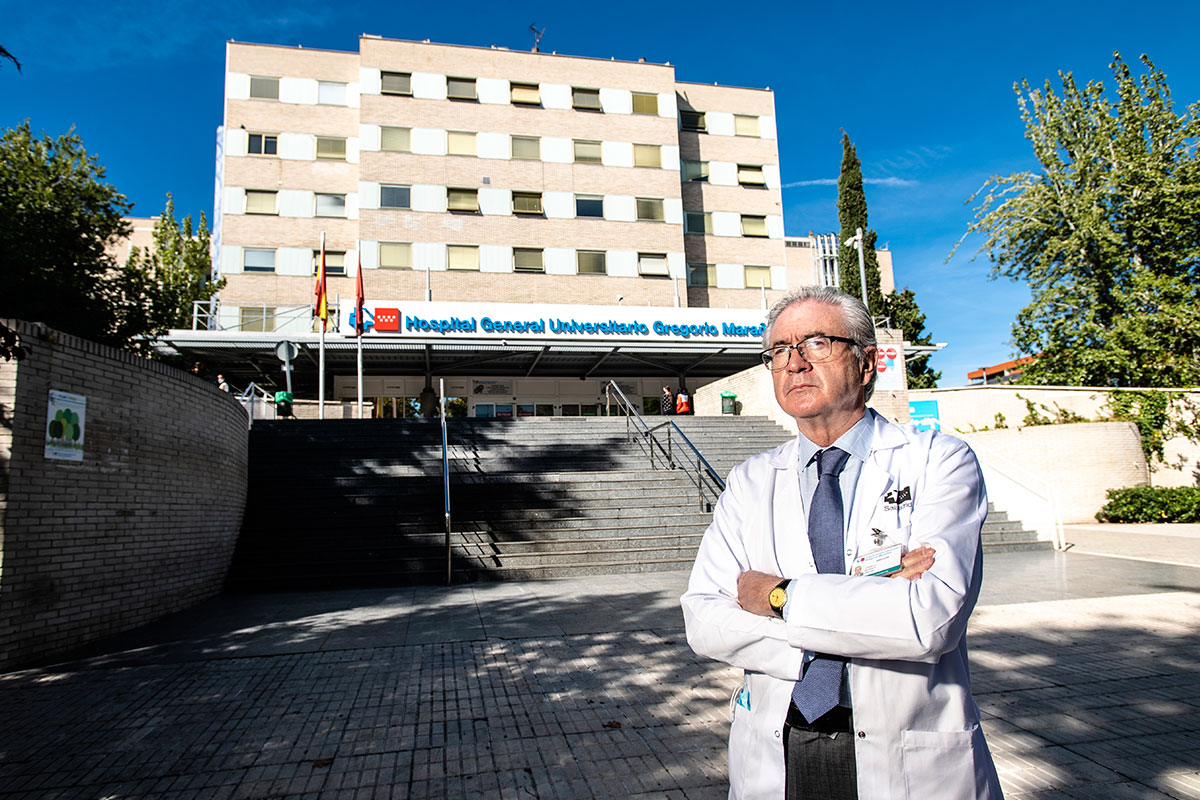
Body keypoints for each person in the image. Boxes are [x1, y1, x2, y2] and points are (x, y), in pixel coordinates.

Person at [681, 286, 1002, 799]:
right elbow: (704, 621)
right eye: (779, 351)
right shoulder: (749, 480)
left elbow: (928, 620)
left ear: (867, 363)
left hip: (908, 757)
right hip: (779, 745)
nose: (793, 363)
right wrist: (866, 603)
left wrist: (778, 596)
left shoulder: (938, 460)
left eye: (815, 343)